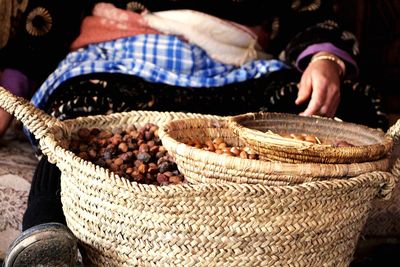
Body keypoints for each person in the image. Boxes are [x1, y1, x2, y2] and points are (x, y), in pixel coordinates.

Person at [0, 0, 388, 266]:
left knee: (312, 110)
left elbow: (306, 13)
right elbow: (42, 26)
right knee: (80, 120)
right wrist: (7, 93)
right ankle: (44, 226)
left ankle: (264, 230)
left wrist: (324, 61)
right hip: (121, 63)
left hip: (231, 71)